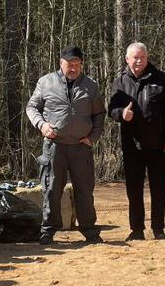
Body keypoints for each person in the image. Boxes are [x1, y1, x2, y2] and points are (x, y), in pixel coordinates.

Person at [26, 46, 105, 244]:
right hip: (55, 147)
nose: (74, 68)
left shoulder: (91, 85)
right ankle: (48, 230)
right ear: (61, 63)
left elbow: (99, 114)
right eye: (70, 64)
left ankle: (90, 231)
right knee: (51, 189)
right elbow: (32, 107)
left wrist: (93, 136)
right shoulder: (46, 82)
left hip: (81, 147)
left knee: (85, 190)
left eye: (77, 64)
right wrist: (42, 125)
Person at [108, 42, 165, 240]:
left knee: (158, 189)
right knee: (134, 190)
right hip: (132, 146)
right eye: (135, 57)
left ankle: (158, 229)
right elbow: (111, 109)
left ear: (147, 58)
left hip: (157, 145)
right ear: (127, 59)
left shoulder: (161, 78)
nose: (139, 61)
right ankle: (137, 230)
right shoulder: (120, 81)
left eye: (142, 57)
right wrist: (121, 114)